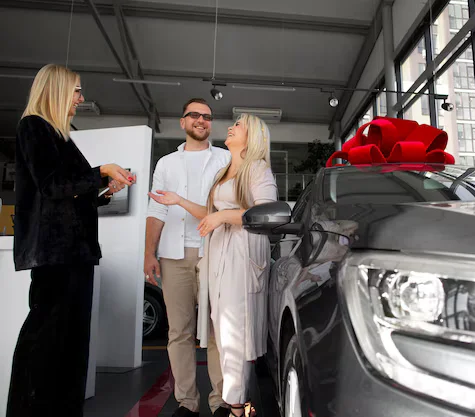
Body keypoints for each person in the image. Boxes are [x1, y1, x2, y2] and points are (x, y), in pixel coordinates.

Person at [8, 63, 134, 417]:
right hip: (56, 254)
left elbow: (68, 195)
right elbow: (52, 186)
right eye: (77, 90)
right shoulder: (34, 127)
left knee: (70, 344)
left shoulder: (58, 135)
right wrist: (101, 171)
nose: (81, 98)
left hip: (73, 253)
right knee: (48, 343)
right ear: (58, 90)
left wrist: (103, 189)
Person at [151, 114, 276, 417]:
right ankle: (235, 405)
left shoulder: (257, 169)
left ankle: (237, 408)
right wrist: (179, 200)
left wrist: (223, 217)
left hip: (241, 256)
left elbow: (267, 213)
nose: (230, 127)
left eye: (239, 125)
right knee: (223, 332)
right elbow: (209, 213)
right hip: (218, 255)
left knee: (233, 334)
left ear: (252, 136)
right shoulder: (225, 170)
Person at [145, 98, 231, 417]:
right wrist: (149, 253)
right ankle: (187, 402)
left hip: (215, 252)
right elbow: (156, 210)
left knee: (216, 330)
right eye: (194, 115)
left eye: (207, 116)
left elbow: (228, 207)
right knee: (179, 330)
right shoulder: (166, 163)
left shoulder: (225, 158)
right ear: (182, 122)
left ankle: (221, 401)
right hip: (173, 254)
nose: (201, 120)